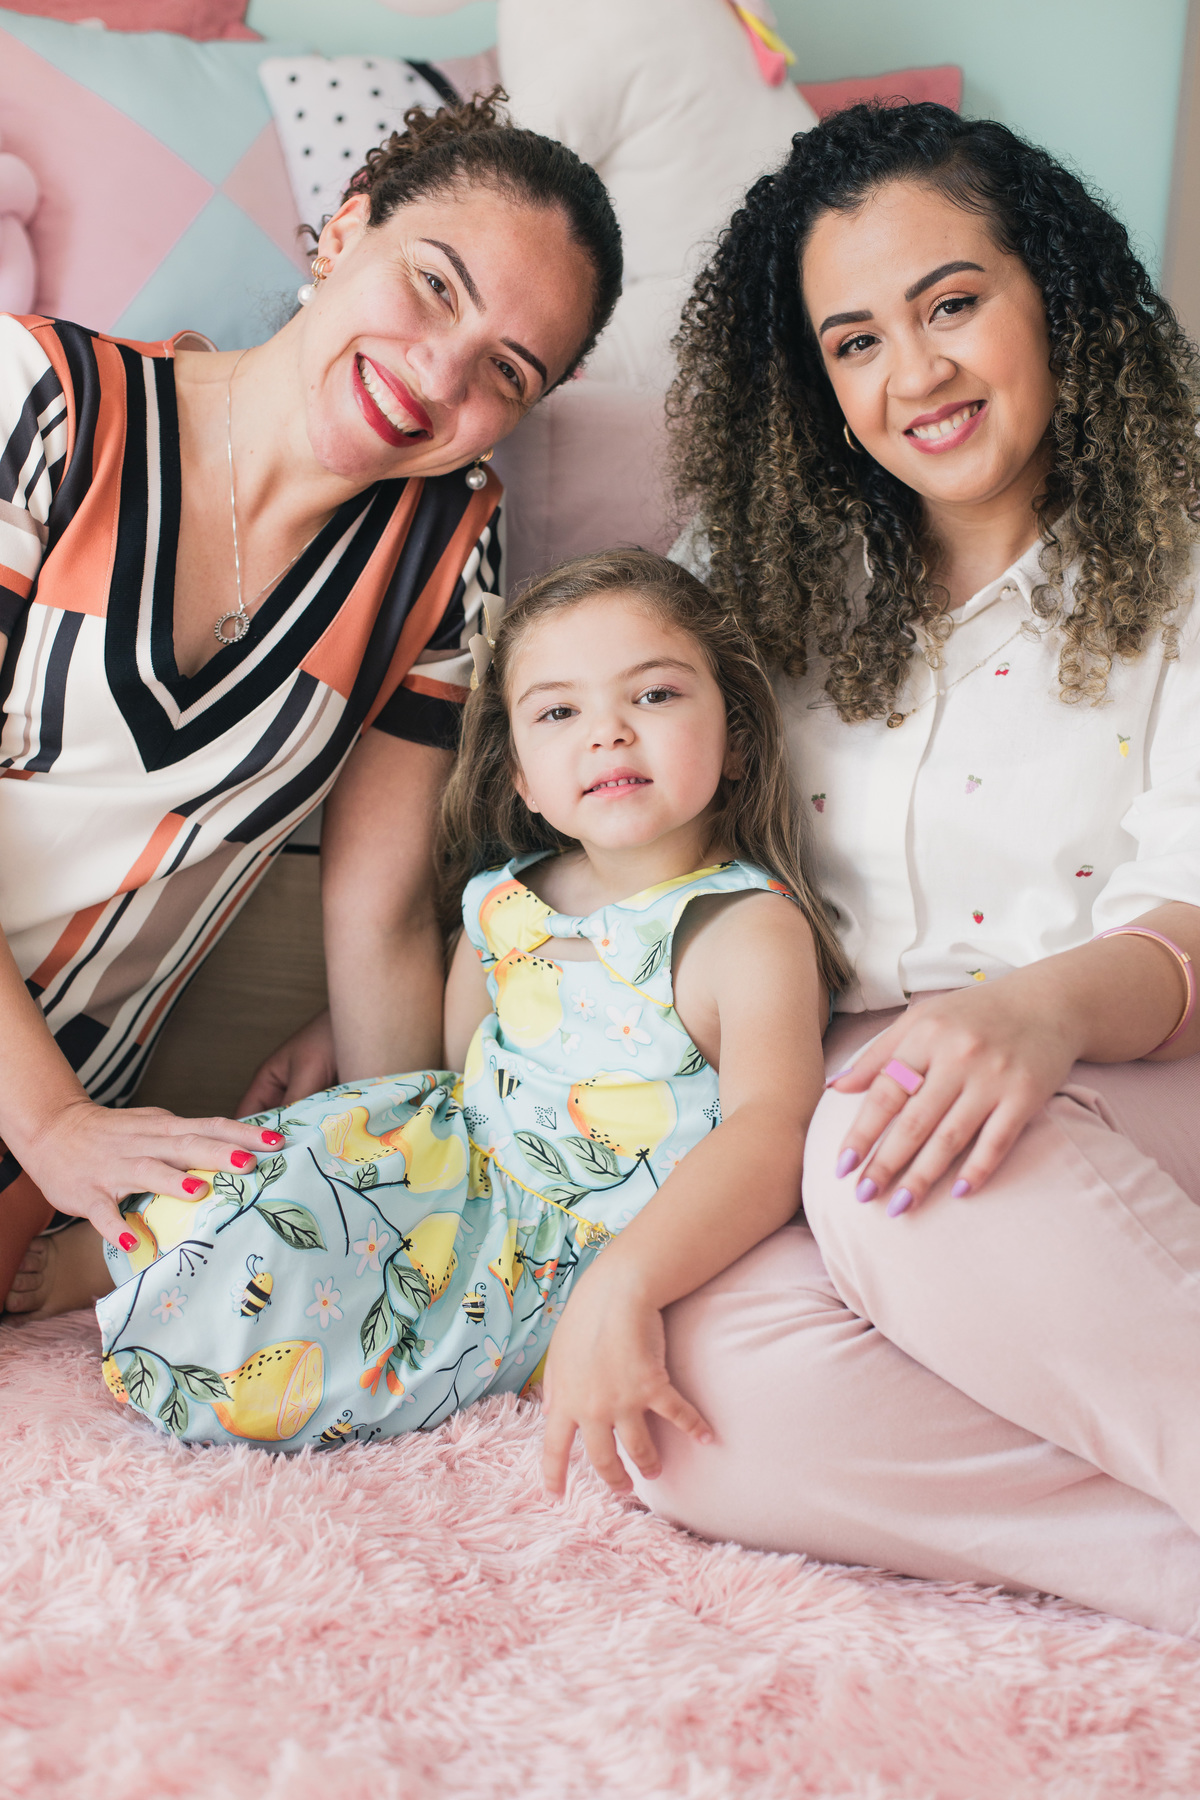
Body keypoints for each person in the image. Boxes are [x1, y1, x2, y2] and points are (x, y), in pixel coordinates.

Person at [654, 102, 1200, 1634]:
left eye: (952, 304)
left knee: (909, 1169)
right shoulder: (763, 574)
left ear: (1056, 295)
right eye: (855, 343)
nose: (917, 377)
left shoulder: (1186, 544)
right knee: (700, 1399)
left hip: (1144, 1044)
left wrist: (1035, 1016)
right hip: (869, 1103)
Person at [0, 92, 622, 1319]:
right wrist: (57, 1123)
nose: (440, 373)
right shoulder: (41, 401)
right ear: (343, 233)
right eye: (435, 285)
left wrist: (402, 1189)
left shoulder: (450, 558)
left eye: (507, 369)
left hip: (42, 1151)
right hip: (43, 1117)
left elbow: (380, 911)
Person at [87, 551, 843, 1477]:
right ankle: (132, 1255)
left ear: (735, 735)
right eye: (559, 712)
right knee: (267, 1169)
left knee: (291, 1330)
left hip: (571, 1242)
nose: (607, 734)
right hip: (456, 1157)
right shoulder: (504, 899)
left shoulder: (743, 927)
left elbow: (773, 1131)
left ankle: (160, 1279)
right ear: (522, 777)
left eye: (653, 696)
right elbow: (454, 1069)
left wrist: (627, 1281)